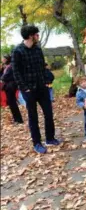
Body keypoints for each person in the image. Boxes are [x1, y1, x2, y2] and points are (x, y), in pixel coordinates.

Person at [11, 25, 60, 154]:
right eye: (36, 34)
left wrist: (47, 80)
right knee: (33, 117)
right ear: (30, 36)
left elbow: (42, 67)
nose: (38, 36)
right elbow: (16, 72)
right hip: (29, 90)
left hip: (42, 88)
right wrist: (24, 88)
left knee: (48, 114)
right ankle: (37, 143)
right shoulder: (17, 51)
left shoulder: (38, 49)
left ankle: (50, 138)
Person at [1, 54, 24, 124]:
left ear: (7, 59)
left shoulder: (10, 66)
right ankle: (16, 119)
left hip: (11, 86)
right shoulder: (7, 66)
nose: (2, 59)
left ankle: (18, 120)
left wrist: (2, 79)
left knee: (12, 103)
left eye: (3, 58)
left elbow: (5, 76)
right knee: (11, 103)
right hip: (9, 86)